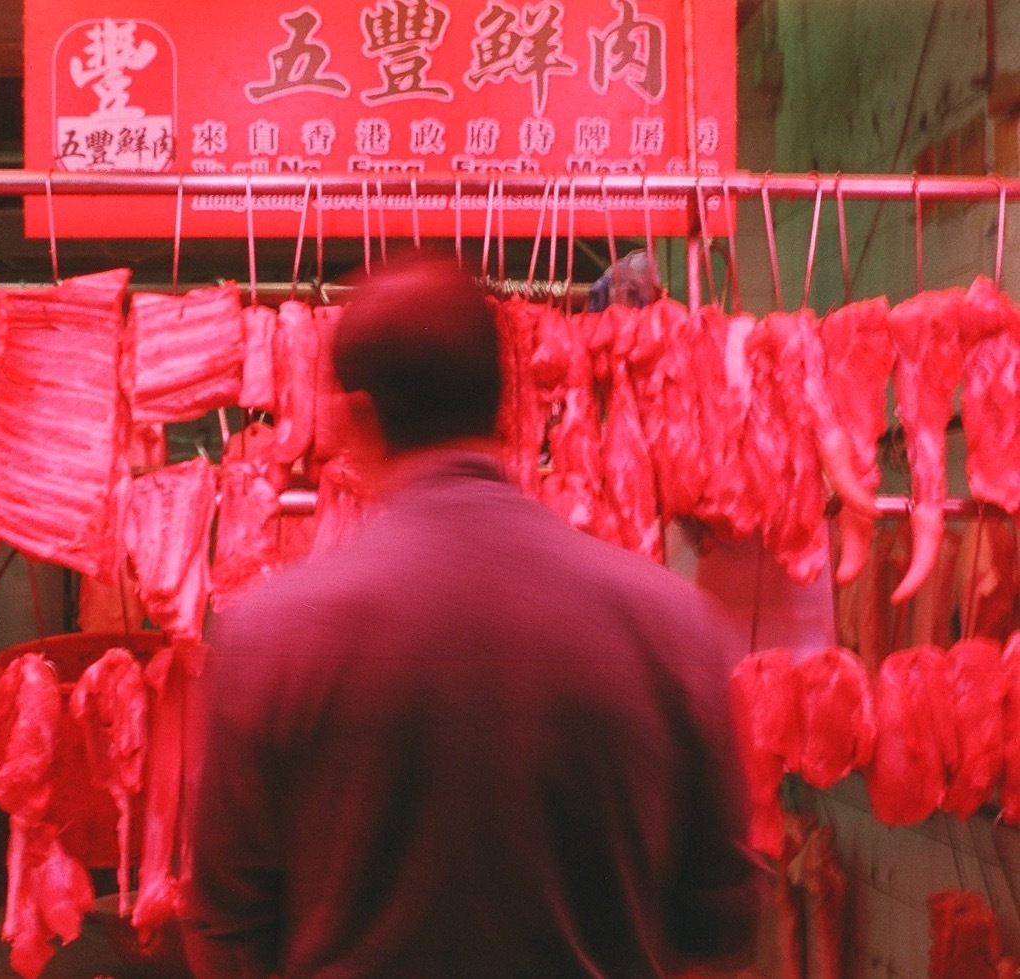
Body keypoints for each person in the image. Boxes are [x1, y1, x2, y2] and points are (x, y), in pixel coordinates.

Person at [182, 255, 763, 979]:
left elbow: (224, 934)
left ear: (360, 415)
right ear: (501, 399)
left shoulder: (269, 637)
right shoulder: (672, 625)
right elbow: (721, 928)